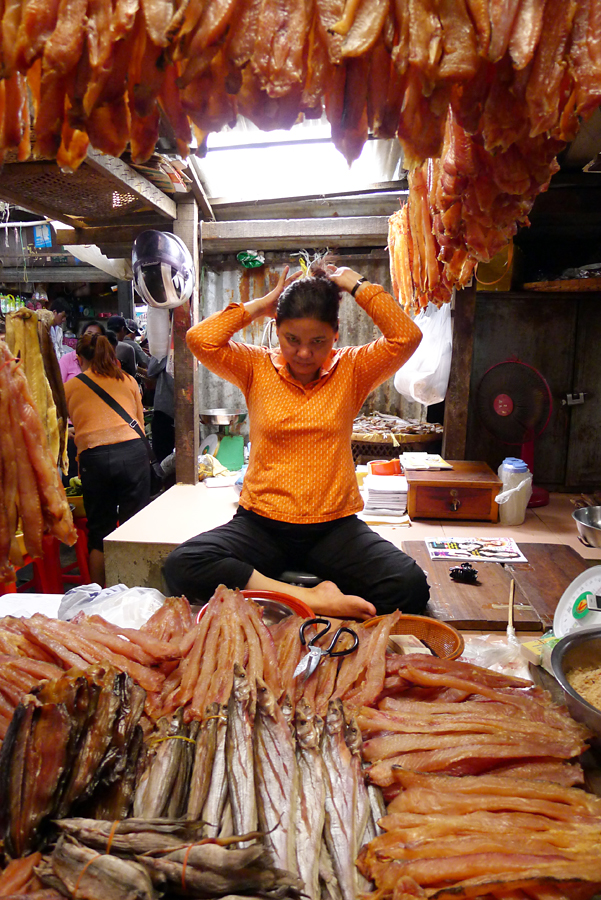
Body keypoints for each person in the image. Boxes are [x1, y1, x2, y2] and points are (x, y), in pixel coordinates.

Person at [163, 261, 430, 620]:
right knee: (184, 565)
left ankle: (280, 599)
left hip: (333, 529)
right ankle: (316, 601)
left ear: (335, 334)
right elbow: (199, 339)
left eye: (317, 342)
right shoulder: (255, 366)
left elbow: (406, 337)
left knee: (409, 586)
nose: (304, 353)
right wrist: (259, 304)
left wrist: (356, 283)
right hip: (261, 525)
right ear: (276, 330)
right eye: (292, 340)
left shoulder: (353, 369)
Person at [64, 332, 150, 586]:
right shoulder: (127, 380)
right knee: (133, 528)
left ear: (79, 358)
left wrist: (75, 433)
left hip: (95, 458)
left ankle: (99, 594)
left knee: (99, 532)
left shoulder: (70, 387)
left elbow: (63, 422)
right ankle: (135, 590)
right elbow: (140, 423)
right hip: (133, 453)